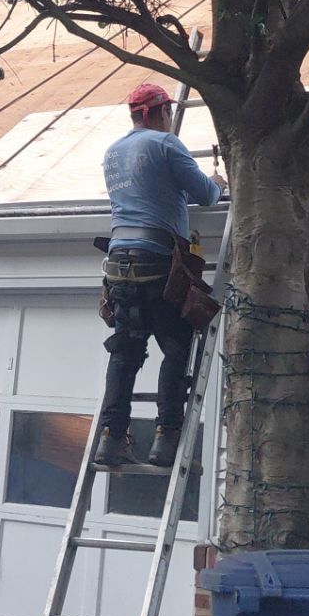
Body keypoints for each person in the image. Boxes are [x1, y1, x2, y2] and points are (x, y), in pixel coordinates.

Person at [97, 81, 223, 470]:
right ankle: (166, 438)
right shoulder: (167, 145)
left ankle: (110, 439)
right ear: (160, 112)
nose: (170, 118)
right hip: (157, 265)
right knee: (176, 344)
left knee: (126, 351)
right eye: (167, 112)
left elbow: (149, 193)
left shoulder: (112, 152)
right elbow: (204, 193)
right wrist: (217, 185)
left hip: (119, 268)